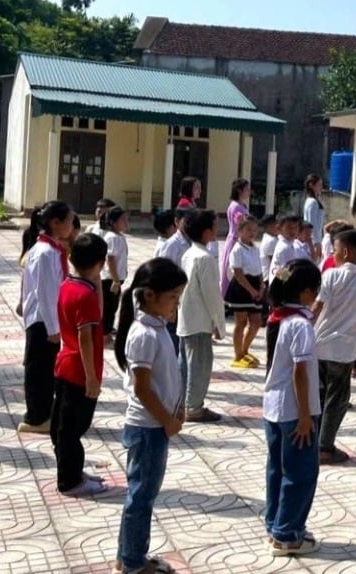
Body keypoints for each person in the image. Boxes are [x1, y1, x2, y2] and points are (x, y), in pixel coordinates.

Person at [113, 258, 188, 574]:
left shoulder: (157, 328)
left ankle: (128, 556)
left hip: (157, 424)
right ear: (148, 296)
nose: (176, 304)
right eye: (172, 297)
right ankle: (131, 563)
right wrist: (167, 420)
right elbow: (143, 388)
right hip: (147, 427)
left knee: (143, 495)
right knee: (141, 498)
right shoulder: (142, 333)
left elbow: (166, 376)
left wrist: (178, 406)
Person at [262, 259, 324, 557]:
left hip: (274, 407)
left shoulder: (279, 317)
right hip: (294, 410)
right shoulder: (301, 325)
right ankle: (287, 534)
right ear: (306, 292)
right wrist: (303, 417)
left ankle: (277, 525)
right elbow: (300, 372)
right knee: (300, 473)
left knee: (277, 469)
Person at [312, 229, 356, 464]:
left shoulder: (330, 275)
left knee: (318, 395)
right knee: (337, 399)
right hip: (344, 350)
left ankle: (314, 441)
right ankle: (325, 445)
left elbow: (317, 308)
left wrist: (302, 329)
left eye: (334, 250)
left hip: (319, 343)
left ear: (345, 251)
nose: (332, 254)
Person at [52, 233, 110, 497]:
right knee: (72, 430)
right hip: (79, 369)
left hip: (65, 363)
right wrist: (91, 378)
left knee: (65, 427)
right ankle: (70, 481)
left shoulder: (67, 285)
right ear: (99, 263)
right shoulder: (85, 295)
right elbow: (85, 337)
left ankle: (73, 472)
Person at [19, 201, 74, 433]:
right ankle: (36, 417)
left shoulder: (50, 250)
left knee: (44, 368)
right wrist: (53, 328)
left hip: (47, 319)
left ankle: (41, 410)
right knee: (39, 371)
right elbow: (44, 291)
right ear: (56, 223)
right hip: (43, 321)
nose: (72, 226)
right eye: (70, 221)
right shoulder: (44, 252)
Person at [177, 209, 226, 423]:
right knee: (200, 365)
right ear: (206, 232)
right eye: (214, 226)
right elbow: (212, 294)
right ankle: (194, 407)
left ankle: (182, 402)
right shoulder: (205, 258)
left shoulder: (189, 253)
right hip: (200, 319)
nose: (217, 230)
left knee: (186, 364)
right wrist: (218, 322)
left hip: (187, 316)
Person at [226, 216, 265, 368]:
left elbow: (259, 269)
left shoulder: (255, 248)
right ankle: (237, 355)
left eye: (255, 230)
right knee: (240, 322)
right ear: (240, 230)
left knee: (256, 322)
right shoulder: (237, 249)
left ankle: (245, 349)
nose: (252, 233)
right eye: (249, 229)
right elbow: (238, 272)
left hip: (255, 284)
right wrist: (251, 290)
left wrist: (261, 286)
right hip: (242, 287)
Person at [99, 206, 130, 340]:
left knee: (113, 306)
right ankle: (104, 333)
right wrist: (116, 280)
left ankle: (107, 330)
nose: (126, 222)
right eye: (123, 219)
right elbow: (110, 259)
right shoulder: (112, 238)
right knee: (109, 308)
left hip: (117, 279)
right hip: (110, 280)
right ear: (113, 222)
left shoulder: (119, 236)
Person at [220, 178, 252, 295]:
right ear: (239, 190)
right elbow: (240, 223)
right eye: (247, 189)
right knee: (231, 270)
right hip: (235, 241)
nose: (249, 192)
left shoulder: (242, 205)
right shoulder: (236, 207)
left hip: (240, 240)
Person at [270, 215, 306, 280]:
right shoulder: (284, 247)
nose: (293, 230)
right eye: (289, 227)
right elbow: (285, 275)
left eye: (295, 227)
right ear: (279, 228)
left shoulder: (291, 244)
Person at [302, 174, 325, 257]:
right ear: (311, 185)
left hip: (315, 240)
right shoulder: (313, 202)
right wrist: (316, 243)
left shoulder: (312, 201)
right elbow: (312, 224)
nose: (321, 187)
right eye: (319, 185)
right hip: (314, 242)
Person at [259, 214, 280, 279]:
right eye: (276, 224)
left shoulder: (272, 238)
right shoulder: (270, 241)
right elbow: (275, 264)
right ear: (269, 226)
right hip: (270, 278)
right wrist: (288, 278)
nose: (279, 226)